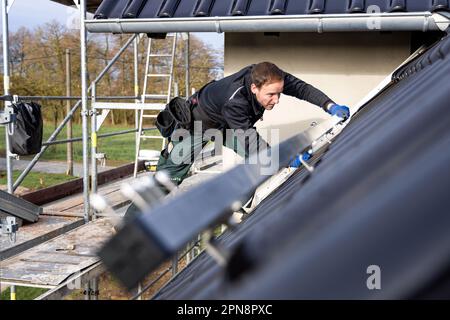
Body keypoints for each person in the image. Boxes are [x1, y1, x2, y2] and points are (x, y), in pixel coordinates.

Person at [156, 61, 349, 185]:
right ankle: (135, 224)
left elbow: (302, 89)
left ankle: (242, 201)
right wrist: (284, 159)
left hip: (226, 121)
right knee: (168, 179)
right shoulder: (236, 100)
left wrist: (330, 105)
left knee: (262, 161)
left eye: (279, 93)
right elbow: (249, 138)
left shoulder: (271, 77)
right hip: (199, 124)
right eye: (271, 95)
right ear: (254, 87)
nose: (276, 100)